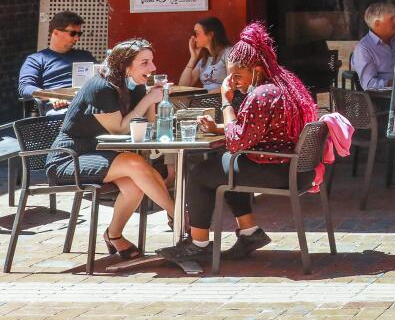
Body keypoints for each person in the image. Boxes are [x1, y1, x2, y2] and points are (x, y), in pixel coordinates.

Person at [160, 23, 319, 263]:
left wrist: (225, 102)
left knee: (202, 173)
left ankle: (198, 243)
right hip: (293, 168)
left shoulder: (261, 94)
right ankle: (250, 233)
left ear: (256, 70)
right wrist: (219, 128)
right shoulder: (282, 85)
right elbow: (253, 130)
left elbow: (236, 143)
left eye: (237, 76)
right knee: (223, 166)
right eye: (230, 76)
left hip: (277, 170)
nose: (232, 81)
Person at [43, 39, 175, 259]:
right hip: (69, 158)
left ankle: (114, 235)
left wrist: (153, 97)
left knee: (135, 184)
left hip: (101, 154)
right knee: (135, 163)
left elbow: (149, 125)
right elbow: (119, 130)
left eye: (152, 62)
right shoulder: (100, 87)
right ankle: (179, 219)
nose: (152, 68)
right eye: (145, 62)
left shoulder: (133, 85)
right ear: (125, 65)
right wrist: (147, 99)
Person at [17, 11, 97, 105]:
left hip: (88, 103)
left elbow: (102, 80)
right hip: (59, 108)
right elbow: (25, 87)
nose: (77, 38)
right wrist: (53, 97)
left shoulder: (85, 56)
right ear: (56, 32)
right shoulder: (36, 60)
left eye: (79, 34)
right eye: (73, 33)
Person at [350, 1, 395, 90]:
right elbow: (369, 84)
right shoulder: (364, 48)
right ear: (377, 24)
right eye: (391, 19)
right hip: (382, 99)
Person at [179, 17, 232, 93]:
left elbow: (230, 85)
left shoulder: (228, 53)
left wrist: (205, 96)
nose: (193, 37)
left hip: (222, 100)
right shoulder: (205, 59)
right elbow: (183, 86)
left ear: (210, 34)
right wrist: (193, 58)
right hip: (205, 100)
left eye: (196, 33)